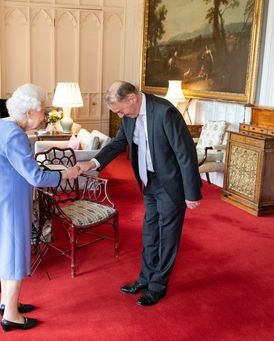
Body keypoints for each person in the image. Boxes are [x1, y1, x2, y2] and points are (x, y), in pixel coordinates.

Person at [0, 83, 81, 331]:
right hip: (10, 203)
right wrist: (66, 174)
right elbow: (36, 177)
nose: (45, 116)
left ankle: (7, 303)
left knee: (6, 252)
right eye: (43, 111)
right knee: (14, 253)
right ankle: (10, 316)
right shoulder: (14, 135)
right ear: (29, 112)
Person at [77, 81, 202, 306]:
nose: (120, 114)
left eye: (120, 109)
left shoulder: (165, 112)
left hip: (170, 185)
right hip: (148, 182)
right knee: (149, 233)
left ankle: (157, 286)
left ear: (132, 98)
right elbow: (117, 143)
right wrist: (93, 162)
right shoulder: (128, 117)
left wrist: (192, 192)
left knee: (167, 236)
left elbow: (185, 153)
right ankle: (145, 278)